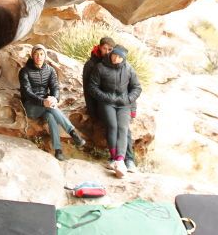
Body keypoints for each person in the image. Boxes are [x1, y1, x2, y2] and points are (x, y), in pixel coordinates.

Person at [19, 44, 86, 160]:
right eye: (36, 54)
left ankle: (58, 150)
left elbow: (55, 87)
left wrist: (55, 98)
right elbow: (26, 92)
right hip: (31, 107)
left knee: (51, 116)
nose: (39, 57)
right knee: (51, 108)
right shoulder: (24, 71)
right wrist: (42, 102)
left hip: (47, 105)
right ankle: (73, 133)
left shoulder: (50, 70)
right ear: (32, 55)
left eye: (41, 54)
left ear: (45, 56)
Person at [83, 39, 139, 172]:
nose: (108, 52)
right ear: (99, 48)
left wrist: (132, 107)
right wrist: (92, 111)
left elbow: (132, 87)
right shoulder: (93, 64)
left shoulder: (127, 67)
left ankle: (128, 159)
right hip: (102, 102)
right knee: (112, 126)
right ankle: (116, 158)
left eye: (110, 50)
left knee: (125, 129)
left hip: (121, 104)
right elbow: (88, 89)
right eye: (105, 49)